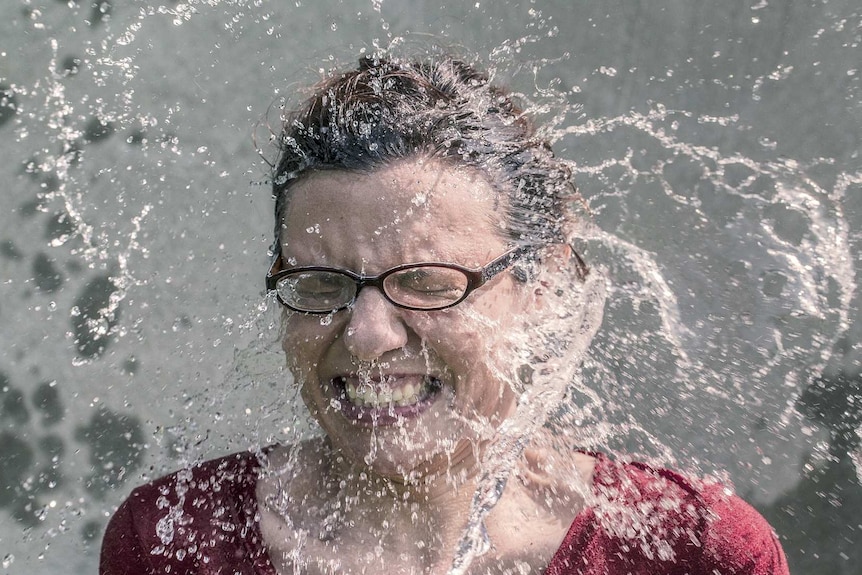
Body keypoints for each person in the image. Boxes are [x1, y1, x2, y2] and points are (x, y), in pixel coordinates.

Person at [100, 54, 789, 575]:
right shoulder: (169, 540)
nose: (367, 336)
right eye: (319, 283)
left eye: (428, 282)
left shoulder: (692, 550)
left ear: (544, 284)